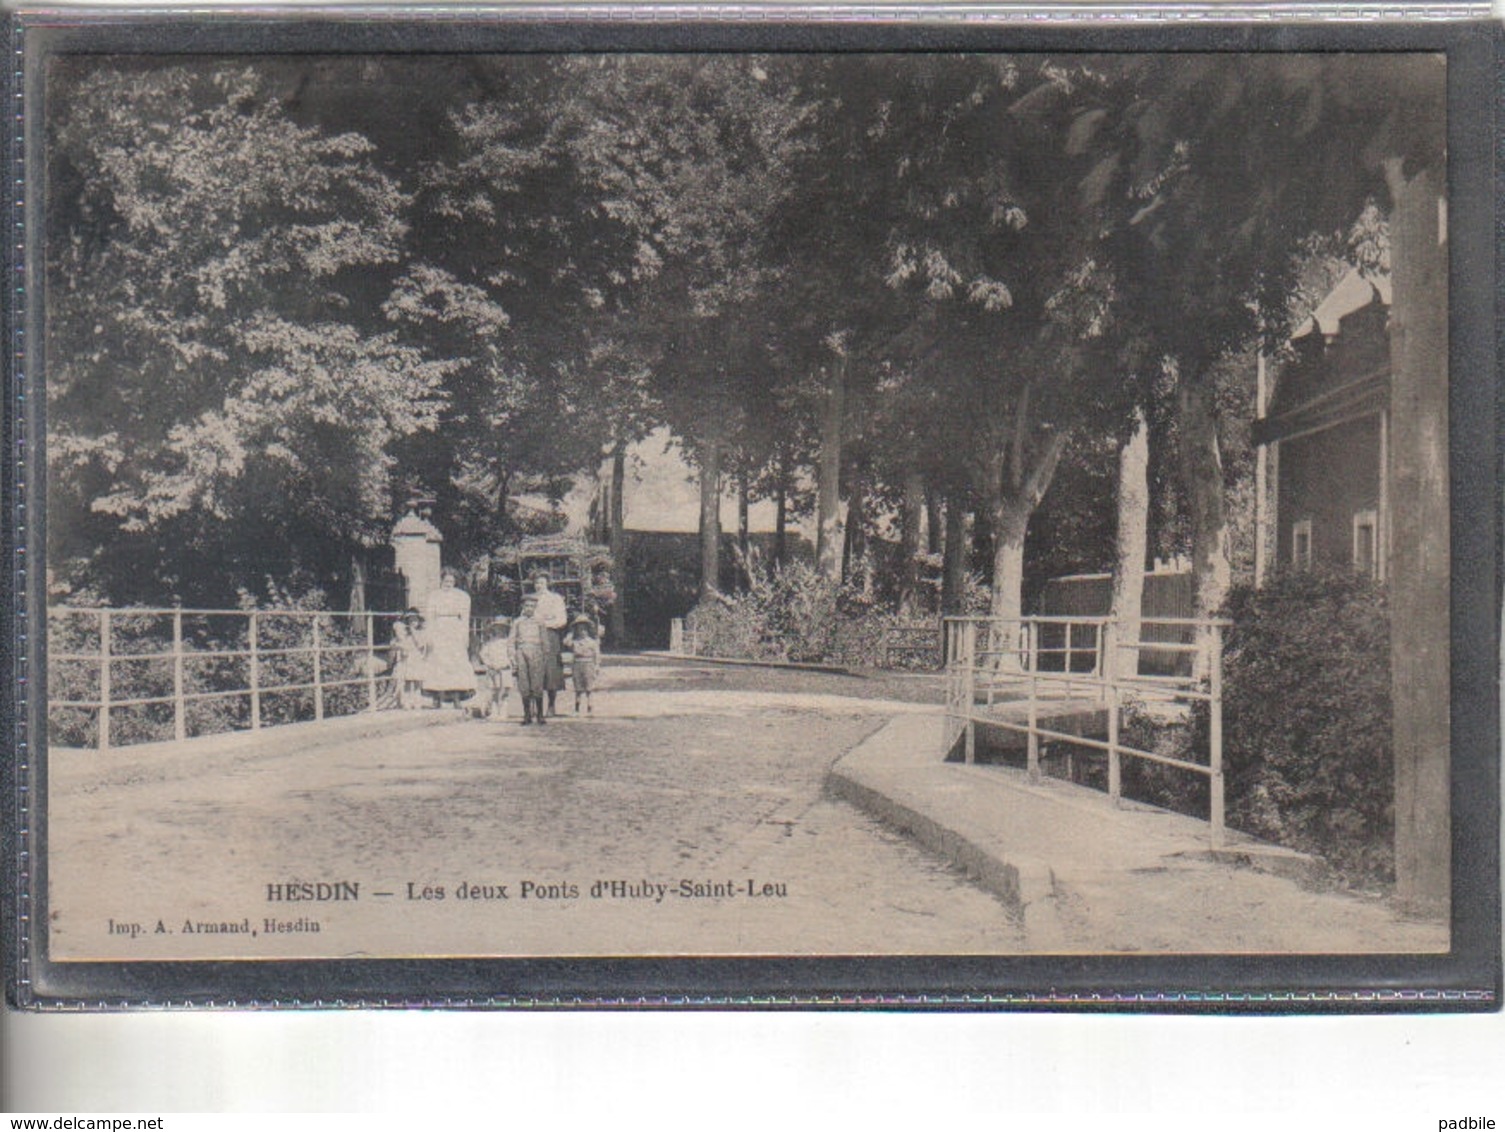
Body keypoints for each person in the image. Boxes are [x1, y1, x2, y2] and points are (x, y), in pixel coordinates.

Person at [422, 568, 477, 710]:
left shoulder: (462, 596)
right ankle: (436, 698)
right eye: (446, 581)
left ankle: (457, 697)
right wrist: (429, 636)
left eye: (452, 581)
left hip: (455, 631)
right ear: (441, 580)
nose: (449, 583)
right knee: (437, 663)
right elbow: (429, 618)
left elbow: (465, 619)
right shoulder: (433, 596)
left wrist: (465, 636)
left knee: (455, 663)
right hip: (438, 630)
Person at [531, 573, 568, 716]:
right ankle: (535, 705)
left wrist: (545, 622)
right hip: (533, 635)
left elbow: (561, 619)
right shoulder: (531, 598)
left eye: (541, 582)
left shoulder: (555, 598)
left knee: (551, 669)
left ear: (547, 583)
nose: (539, 585)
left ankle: (551, 705)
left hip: (550, 634)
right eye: (536, 583)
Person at [511, 593, 547, 726]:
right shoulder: (517, 622)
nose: (529, 608)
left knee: (537, 683)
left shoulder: (540, 621)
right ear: (523, 606)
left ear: (536, 607)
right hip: (521, 651)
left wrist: (544, 656)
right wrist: (512, 657)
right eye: (527, 606)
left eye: (532, 606)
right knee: (524, 684)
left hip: (536, 651)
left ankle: (540, 715)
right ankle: (527, 715)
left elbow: (545, 641)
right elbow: (511, 641)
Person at [390, 608, 428, 710]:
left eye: (415, 620)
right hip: (408, 659)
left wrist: (413, 631)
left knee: (416, 682)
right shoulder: (405, 634)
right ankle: (406, 702)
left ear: (419, 621)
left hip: (417, 658)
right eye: (410, 620)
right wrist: (397, 644)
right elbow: (396, 643)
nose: (413, 622)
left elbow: (420, 644)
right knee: (407, 682)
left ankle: (417, 702)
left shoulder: (420, 633)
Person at [477, 616, 514, 721]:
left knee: (505, 692)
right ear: (494, 629)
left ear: (506, 630)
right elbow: (483, 655)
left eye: (502, 628)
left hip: (505, 669)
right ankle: (494, 711)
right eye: (497, 628)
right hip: (493, 670)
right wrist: (490, 664)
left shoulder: (508, 643)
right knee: (494, 691)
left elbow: (512, 655)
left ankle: (503, 712)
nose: (500, 630)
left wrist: (509, 663)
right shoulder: (490, 643)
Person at [568, 616, 600, 715]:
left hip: (588, 664)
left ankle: (590, 708)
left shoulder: (592, 642)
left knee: (589, 688)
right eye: (580, 630)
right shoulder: (575, 641)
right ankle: (577, 709)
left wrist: (597, 665)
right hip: (577, 664)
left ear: (588, 631)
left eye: (585, 630)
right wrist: (571, 633)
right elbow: (566, 642)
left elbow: (597, 654)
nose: (582, 632)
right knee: (578, 688)